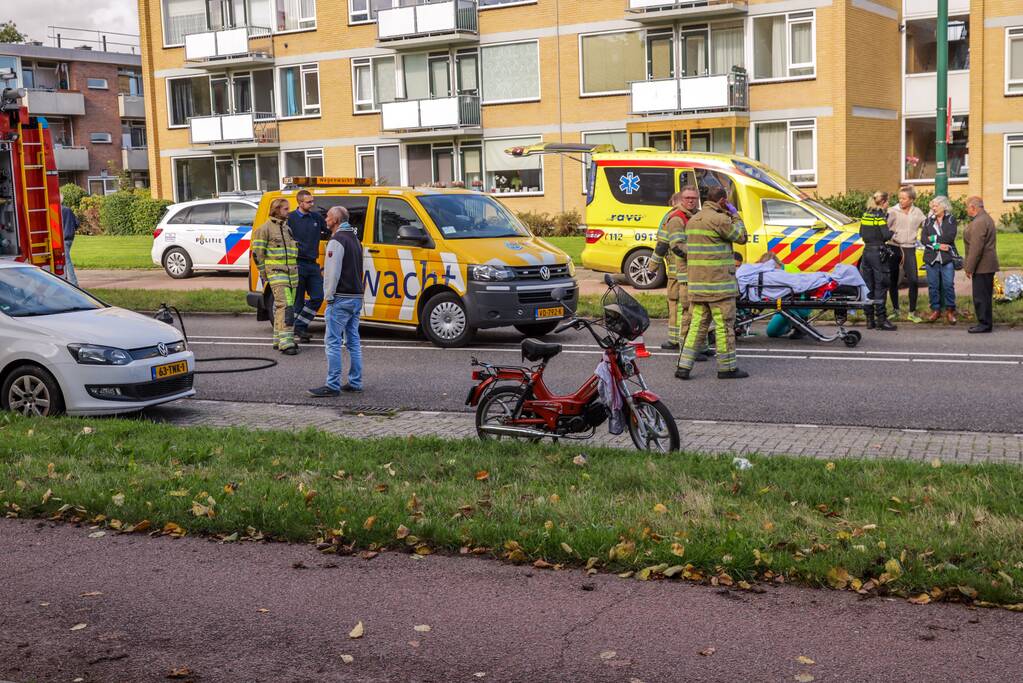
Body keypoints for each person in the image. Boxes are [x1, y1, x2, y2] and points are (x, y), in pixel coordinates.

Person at [675, 186, 749, 380]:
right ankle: (727, 368)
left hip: (698, 287)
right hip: (719, 289)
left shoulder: (692, 221)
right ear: (723, 201)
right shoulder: (720, 219)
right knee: (724, 327)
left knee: (696, 328)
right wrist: (736, 215)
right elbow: (742, 237)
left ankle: (683, 367)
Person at [309, 206, 364, 397]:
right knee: (353, 341)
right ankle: (356, 382)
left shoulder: (337, 241)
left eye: (328, 217)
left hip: (341, 297)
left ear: (337, 220)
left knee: (332, 341)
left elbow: (332, 273)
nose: (325, 219)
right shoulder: (355, 240)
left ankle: (332, 385)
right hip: (357, 296)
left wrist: (329, 296)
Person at [647, 187, 706, 359]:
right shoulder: (674, 218)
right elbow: (662, 245)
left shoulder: (697, 215)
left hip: (695, 271)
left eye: (694, 198)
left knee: (691, 308)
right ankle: (680, 343)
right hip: (678, 272)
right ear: (680, 200)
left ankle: (688, 343)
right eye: (687, 198)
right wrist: (652, 267)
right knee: (681, 307)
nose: (691, 201)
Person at [250, 198, 299, 355]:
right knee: (286, 306)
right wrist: (266, 274)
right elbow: (257, 254)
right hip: (277, 273)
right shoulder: (264, 229)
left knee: (280, 307)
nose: (288, 211)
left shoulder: (287, 229)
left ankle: (279, 339)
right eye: (285, 209)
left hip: (291, 274)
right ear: (276, 210)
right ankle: (287, 343)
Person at [288, 189, 331, 343]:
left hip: (312, 265)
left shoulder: (316, 217)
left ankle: (299, 325)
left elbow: (329, 231)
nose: (312, 204)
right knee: (298, 302)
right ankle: (296, 332)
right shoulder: (290, 218)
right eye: (309, 202)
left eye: (312, 201)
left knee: (318, 296)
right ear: (300, 203)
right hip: (297, 264)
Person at [886, 186, 925, 323]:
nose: (901, 201)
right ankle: (896, 310)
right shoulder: (892, 211)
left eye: (904, 198)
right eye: (899, 198)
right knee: (893, 280)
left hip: (909, 248)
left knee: (913, 280)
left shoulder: (917, 212)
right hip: (894, 246)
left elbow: (927, 225)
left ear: (912, 199)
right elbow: (884, 228)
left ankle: (912, 312)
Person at [859, 191, 896, 331]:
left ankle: (869, 319)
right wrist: (892, 232)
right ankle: (881, 319)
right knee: (881, 284)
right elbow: (886, 235)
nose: (888, 205)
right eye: (888, 202)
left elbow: (861, 233)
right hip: (878, 253)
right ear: (883, 202)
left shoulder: (865, 215)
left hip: (866, 252)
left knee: (868, 285)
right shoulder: (880, 216)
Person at [963, 196, 999, 333]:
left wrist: (969, 267)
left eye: (967, 207)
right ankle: (985, 322)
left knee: (980, 296)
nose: (967, 210)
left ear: (973, 207)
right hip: (987, 265)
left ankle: (984, 324)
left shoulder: (979, 222)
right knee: (984, 296)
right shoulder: (985, 219)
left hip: (982, 266)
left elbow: (976, 248)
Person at [921, 195, 958, 324]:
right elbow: (923, 239)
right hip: (931, 258)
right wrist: (937, 245)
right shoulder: (927, 221)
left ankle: (950, 310)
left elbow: (949, 237)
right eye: (933, 206)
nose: (933, 208)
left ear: (944, 206)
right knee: (933, 286)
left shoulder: (951, 220)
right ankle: (935, 310)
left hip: (946, 258)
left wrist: (933, 238)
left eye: (936, 206)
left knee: (948, 285)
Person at [60, 200, 79, 286]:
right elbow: (77, 223)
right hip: (70, 238)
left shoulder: (58, 211)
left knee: (67, 261)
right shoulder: (68, 210)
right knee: (65, 260)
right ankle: (66, 279)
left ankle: (74, 283)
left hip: (63, 239)